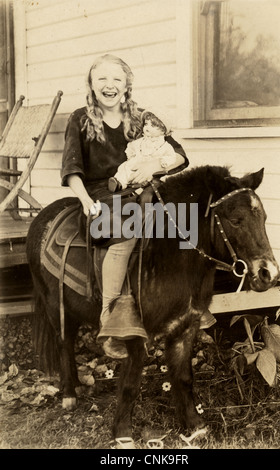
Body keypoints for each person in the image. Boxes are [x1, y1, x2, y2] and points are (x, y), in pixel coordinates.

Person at [60, 54, 189, 359]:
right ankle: (110, 316)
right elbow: (71, 169)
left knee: (186, 221)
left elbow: (180, 155)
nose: (110, 85)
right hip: (100, 196)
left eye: (117, 79)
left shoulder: (143, 118)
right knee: (129, 228)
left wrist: (155, 165)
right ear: (91, 84)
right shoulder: (79, 118)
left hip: (142, 190)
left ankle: (186, 304)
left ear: (127, 85)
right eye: (102, 78)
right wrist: (86, 201)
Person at [108, 107, 177, 192]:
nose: (147, 127)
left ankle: (143, 186)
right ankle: (120, 183)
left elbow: (172, 157)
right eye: (146, 124)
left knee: (154, 179)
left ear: (163, 130)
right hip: (138, 163)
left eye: (153, 125)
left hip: (152, 168)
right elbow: (132, 146)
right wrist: (131, 156)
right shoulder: (142, 141)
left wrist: (162, 162)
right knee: (126, 167)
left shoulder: (165, 146)